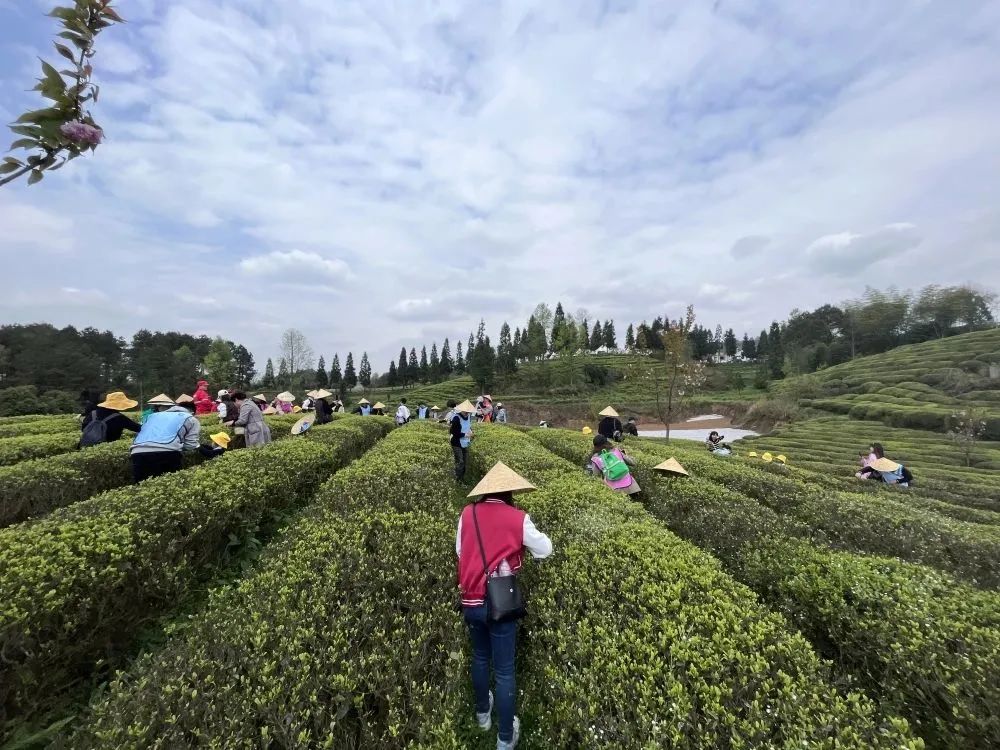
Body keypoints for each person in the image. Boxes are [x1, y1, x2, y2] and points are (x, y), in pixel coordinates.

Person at [456, 461, 552, 750]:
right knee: (505, 670)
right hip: (501, 602)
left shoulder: (467, 513)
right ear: (511, 491)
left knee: (480, 658)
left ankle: (483, 715)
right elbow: (545, 550)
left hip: (471, 599)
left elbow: (461, 550)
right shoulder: (518, 517)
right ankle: (505, 738)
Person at [130, 398, 200, 482]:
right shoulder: (190, 418)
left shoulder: (152, 416)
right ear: (192, 412)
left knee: (141, 486)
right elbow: (190, 445)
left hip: (137, 452)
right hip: (167, 452)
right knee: (169, 485)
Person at [586, 433, 641, 498]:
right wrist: (624, 455)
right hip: (631, 487)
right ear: (607, 442)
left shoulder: (596, 459)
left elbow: (596, 477)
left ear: (595, 446)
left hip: (615, 491)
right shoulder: (616, 451)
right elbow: (633, 463)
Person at [451, 400, 475, 481]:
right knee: (460, 461)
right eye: (466, 411)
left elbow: (468, 426)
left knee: (464, 462)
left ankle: (462, 479)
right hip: (457, 443)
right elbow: (453, 432)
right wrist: (465, 435)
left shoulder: (468, 417)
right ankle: (457, 480)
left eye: (469, 412)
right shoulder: (456, 418)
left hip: (465, 442)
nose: (468, 413)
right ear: (462, 410)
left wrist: (471, 432)